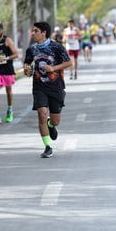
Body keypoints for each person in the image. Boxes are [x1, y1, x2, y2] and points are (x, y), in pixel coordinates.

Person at [23, 21, 72, 158]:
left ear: (43, 33)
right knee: (42, 114)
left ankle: (51, 125)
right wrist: (27, 70)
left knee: (55, 120)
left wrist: (53, 68)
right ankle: (47, 146)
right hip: (39, 87)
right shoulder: (31, 49)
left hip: (56, 87)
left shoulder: (56, 47)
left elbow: (69, 62)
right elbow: (27, 65)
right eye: (33, 31)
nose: (33, 33)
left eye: (35, 31)